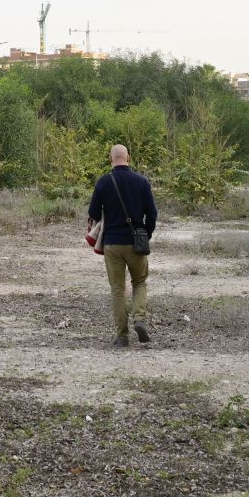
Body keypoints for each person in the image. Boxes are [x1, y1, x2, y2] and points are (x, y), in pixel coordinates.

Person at [88, 143, 158, 348]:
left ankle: (122, 336)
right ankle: (140, 319)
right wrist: (146, 234)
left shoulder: (103, 182)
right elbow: (152, 214)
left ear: (111, 159)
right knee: (140, 282)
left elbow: (93, 213)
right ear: (128, 158)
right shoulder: (142, 182)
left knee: (117, 289)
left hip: (112, 243)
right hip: (136, 243)